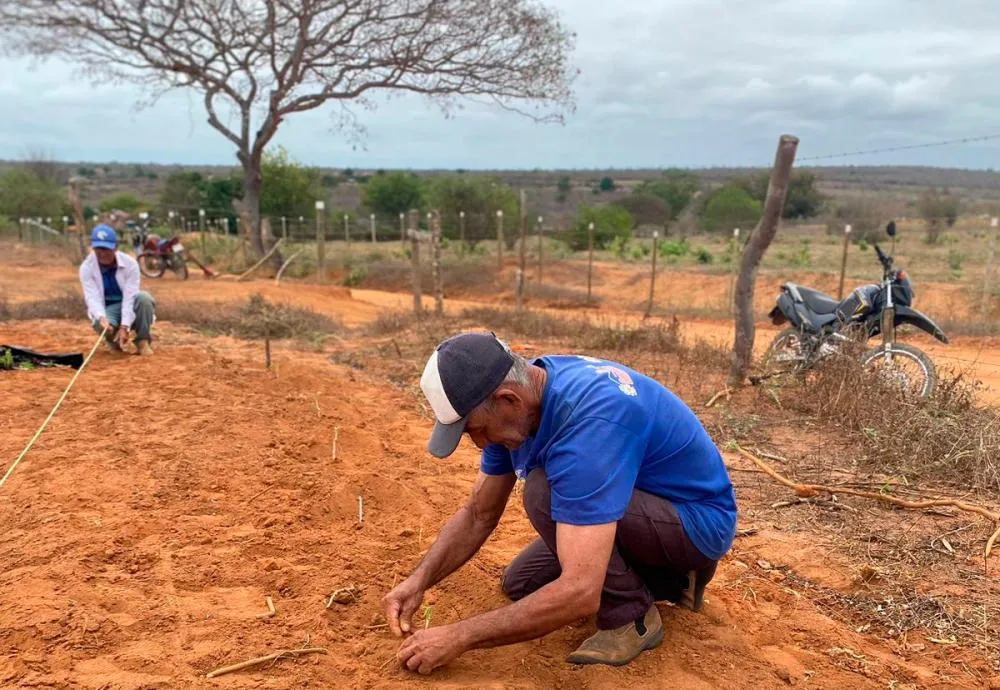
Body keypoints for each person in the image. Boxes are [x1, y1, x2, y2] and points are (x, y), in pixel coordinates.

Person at [383, 331, 738, 675]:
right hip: (638, 505)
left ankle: (631, 616)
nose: (477, 443)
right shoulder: (526, 403)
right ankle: (670, 581)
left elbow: (580, 592)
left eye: (474, 429)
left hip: (696, 523)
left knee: (543, 490)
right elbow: (479, 513)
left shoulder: (588, 425)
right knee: (521, 584)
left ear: (509, 400)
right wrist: (419, 581)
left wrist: (460, 636)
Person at [79, 224, 157, 356]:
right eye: (99, 249)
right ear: (93, 248)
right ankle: (112, 343)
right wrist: (102, 317)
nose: (102, 253)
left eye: (106, 249)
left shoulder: (130, 264)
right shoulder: (86, 268)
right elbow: (92, 297)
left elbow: (130, 297)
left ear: (115, 247)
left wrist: (125, 326)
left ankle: (142, 341)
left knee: (144, 298)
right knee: (99, 320)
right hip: (107, 309)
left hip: (129, 304)